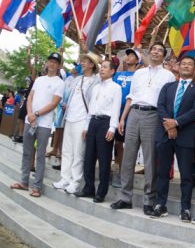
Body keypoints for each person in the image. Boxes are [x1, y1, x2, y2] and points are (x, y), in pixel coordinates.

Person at [111, 43, 176, 215]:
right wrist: (123, 119)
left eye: (160, 51)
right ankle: (125, 198)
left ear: (163, 56)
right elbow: (131, 97)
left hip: (153, 116)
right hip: (134, 113)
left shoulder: (168, 76)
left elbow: (168, 101)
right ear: (149, 52)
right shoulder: (138, 73)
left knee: (149, 159)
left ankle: (149, 200)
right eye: (153, 49)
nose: (155, 52)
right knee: (128, 157)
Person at [152, 55, 195, 222]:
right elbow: (160, 106)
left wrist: (176, 123)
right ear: (178, 67)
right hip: (164, 134)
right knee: (162, 172)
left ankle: (185, 208)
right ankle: (161, 204)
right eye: (184, 64)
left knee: (186, 174)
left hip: (185, 136)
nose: (186, 66)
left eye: (190, 64)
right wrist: (168, 125)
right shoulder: (168, 87)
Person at [11, 52, 64, 197]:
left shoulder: (60, 83)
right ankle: (23, 182)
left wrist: (37, 114)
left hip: (44, 124)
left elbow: (54, 103)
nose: (52, 64)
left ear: (59, 65)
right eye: (50, 61)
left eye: (55, 62)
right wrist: (30, 114)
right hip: (30, 121)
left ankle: (37, 187)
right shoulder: (39, 79)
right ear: (46, 63)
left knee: (40, 155)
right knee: (27, 152)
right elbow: (30, 98)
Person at [75, 59, 122, 202]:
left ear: (112, 71)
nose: (101, 69)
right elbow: (91, 109)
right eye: (101, 67)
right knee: (89, 157)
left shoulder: (115, 88)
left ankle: (101, 192)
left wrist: (112, 128)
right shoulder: (96, 87)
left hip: (105, 123)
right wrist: (86, 126)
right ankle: (88, 188)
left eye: (106, 67)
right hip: (93, 122)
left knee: (104, 159)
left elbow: (115, 109)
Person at [52, 52, 100, 195]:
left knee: (78, 153)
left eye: (86, 61)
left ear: (92, 65)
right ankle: (65, 179)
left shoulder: (96, 81)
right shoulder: (77, 79)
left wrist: (87, 124)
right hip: (70, 118)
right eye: (82, 61)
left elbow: (94, 103)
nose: (82, 63)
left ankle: (75, 182)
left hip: (82, 120)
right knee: (67, 151)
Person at [111, 48, 142, 188]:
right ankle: (117, 169)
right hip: (116, 113)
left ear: (137, 60)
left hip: (131, 114)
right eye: (127, 54)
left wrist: (140, 50)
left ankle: (126, 173)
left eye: (132, 55)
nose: (128, 57)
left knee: (129, 144)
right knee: (117, 143)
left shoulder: (140, 75)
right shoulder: (118, 74)